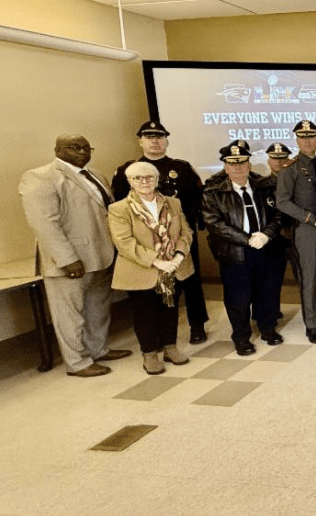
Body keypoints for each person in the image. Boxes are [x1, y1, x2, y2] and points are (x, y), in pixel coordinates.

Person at [19, 135, 131, 377]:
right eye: (73, 147)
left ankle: (98, 349)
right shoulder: (41, 177)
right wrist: (67, 259)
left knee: (98, 308)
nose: (81, 151)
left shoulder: (96, 176)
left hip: (101, 255)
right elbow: (44, 224)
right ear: (57, 149)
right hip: (69, 260)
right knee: (69, 314)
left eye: (85, 147)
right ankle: (77, 363)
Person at [111, 121, 209, 344]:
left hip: (179, 237)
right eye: (149, 136)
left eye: (159, 136)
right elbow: (119, 202)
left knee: (190, 283)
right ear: (140, 141)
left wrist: (185, 231)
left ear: (166, 140)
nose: (154, 140)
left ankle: (197, 325)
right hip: (144, 243)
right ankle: (154, 341)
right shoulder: (127, 170)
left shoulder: (182, 167)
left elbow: (195, 200)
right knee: (149, 292)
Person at [108, 162, 194, 373]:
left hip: (174, 266)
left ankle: (170, 347)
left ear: (157, 180)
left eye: (149, 177)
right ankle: (149, 354)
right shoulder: (119, 209)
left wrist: (179, 256)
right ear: (130, 182)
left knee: (170, 309)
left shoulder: (173, 203)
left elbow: (186, 232)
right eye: (138, 178)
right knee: (145, 314)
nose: (144, 181)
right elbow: (124, 242)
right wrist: (158, 261)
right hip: (142, 269)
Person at [202, 142, 286, 355]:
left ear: (249, 164)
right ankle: (241, 337)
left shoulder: (264, 186)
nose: (238, 168)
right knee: (238, 298)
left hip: (265, 247)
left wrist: (266, 234)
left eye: (242, 162)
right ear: (225, 166)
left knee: (266, 292)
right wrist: (246, 238)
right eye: (232, 164)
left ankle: (267, 329)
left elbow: (278, 214)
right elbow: (214, 224)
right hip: (235, 252)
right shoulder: (213, 192)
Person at [275, 120, 316, 343]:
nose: (308, 141)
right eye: (303, 137)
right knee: (309, 276)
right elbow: (282, 202)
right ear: (297, 140)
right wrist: (310, 218)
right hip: (307, 228)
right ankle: (311, 323)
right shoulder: (289, 169)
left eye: (311, 137)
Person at [265, 142, 300, 308]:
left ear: (289, 160)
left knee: (304, 278)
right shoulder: (262, 186)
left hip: (296, 236)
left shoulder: (297, 182)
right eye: (274, 158)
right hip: (273, 240)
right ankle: (272, 314)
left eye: (282, 158)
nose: (278, 162)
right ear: (268, 161)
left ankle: (312, 314)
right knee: (271, 282)